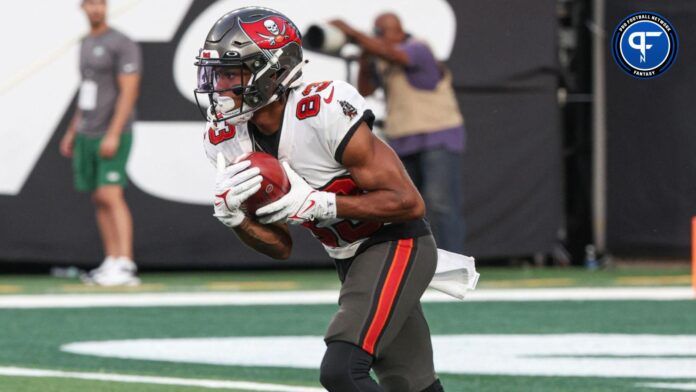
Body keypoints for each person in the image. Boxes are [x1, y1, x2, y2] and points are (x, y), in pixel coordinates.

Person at [197, 7, 444, 392]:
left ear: (273, 71)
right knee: (411, 384)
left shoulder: (323, 109)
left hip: (397, 244)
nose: (221, 85)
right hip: (348, 256)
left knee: (342, 371)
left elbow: (408, 203)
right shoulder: (230, 139)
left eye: (232, 72)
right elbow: (280, 246)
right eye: (215, 73)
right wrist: (237, 221)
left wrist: (324, 204)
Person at [329, 15, 466, 253]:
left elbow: (396, 55)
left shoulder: (418, 48)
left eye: (383, 33)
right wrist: (365, 55)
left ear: (399, 31)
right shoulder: (382, 57)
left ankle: (451, 258)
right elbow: (365, 90)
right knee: (405, 204)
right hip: (403, 140)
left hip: (437, 135)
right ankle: (420, 258)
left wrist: (354, 33)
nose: (380, 38)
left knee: (440, 203)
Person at [59, 0, 142, 286]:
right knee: (98, 197)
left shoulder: (121, 43)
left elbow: (129, 91)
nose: (95, 9)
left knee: (111, 195)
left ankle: (126, 262)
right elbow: (87, 90)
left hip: (111, 131)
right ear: (82, 8)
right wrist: (73, 130)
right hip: (87, 131)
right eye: (90, 4)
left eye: (100, 3)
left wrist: (114, 132)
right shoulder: (84, 43)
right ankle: (112, 260)